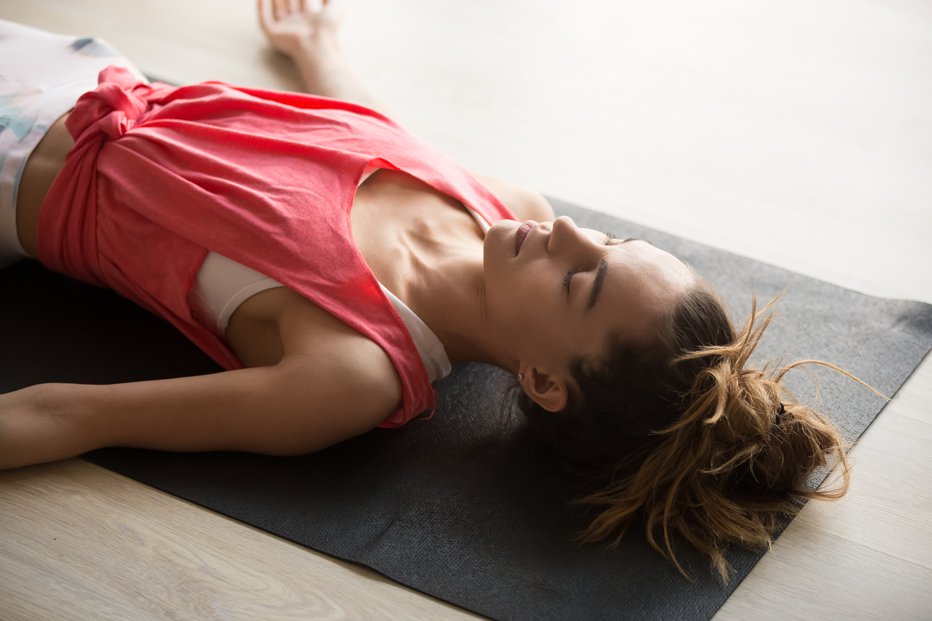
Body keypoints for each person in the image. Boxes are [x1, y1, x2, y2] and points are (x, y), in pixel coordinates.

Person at [0, 1, 862, 581]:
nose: (566, 233)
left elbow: (78, 414)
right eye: (608, 238)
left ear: (544, 381)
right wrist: (316, 48)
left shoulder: (353, 369)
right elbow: (385, 137)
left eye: (580, 276)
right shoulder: (509, 210)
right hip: (79, 70)